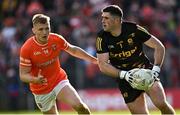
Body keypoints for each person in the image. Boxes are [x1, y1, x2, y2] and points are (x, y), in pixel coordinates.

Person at [96, 5, 175, 114]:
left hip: (145, 71)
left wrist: (156, 69)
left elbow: (159, 46)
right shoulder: (101, 37)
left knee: (161, 104)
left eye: (106, 18)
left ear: (117, 20)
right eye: (102, 18)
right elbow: (102, 65)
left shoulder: (134, 29)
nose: (102, 21)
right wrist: (124, 75)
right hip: (125, 78)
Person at [19, 14, 97, 114]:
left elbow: (73, 50)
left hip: (58, 81)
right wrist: (35, 79)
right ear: (33, 30)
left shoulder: (56, 39)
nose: (45, 32)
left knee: (81, 107)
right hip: (41, 89)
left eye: (47, 28)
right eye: (41, 29)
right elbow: (23, 75)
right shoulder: (27, 49)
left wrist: (94, 60)